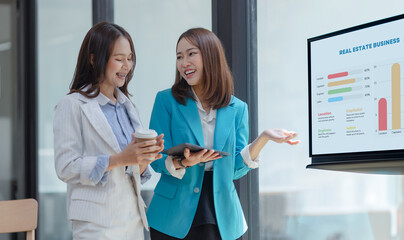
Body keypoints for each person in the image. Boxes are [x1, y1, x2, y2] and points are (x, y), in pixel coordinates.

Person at [147, 27, 299, 240]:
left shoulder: (238, 108)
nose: (183, 63)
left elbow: (235, 169)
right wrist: (183, 162)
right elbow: (155, 159)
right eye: (179, 57)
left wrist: (263, 138)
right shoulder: (166, 101)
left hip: (223, 215)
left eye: (191, 54)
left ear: (210, 56)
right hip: (171, 216)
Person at [53, 22, 164, 240]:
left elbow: (131, 171)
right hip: (96, 225)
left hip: (131, 219)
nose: (127, 66)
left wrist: (144, 159)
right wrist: (119, 159)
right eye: (119, 59)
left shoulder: (128, 107)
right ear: (94, 59)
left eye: (130, 58)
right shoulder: (72, 105)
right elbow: (65, 167)